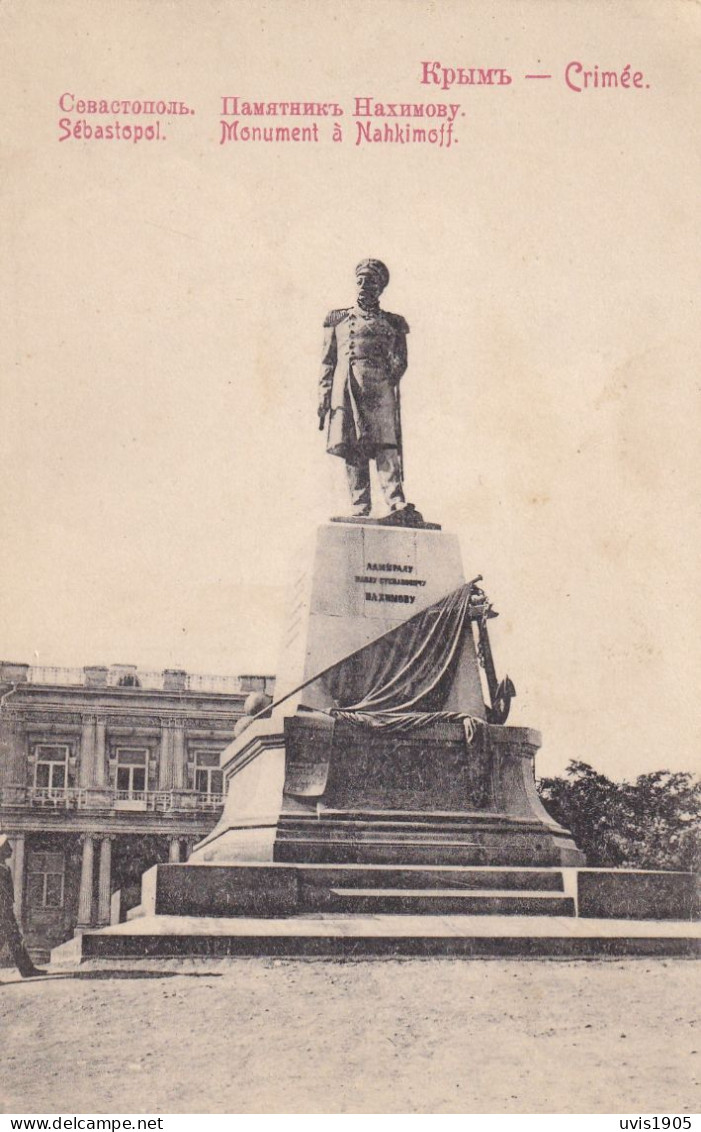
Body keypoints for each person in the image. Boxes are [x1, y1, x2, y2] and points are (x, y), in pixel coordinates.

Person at [319, 259, 420, 520]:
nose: (364, 286)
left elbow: (401, 359)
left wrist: (386, 379)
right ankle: (360, 505)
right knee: (354, 447)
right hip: (346, 388)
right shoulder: (338, 319)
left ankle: (396, 501)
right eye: (360, 280)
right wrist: (323, 396)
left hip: (379, 390)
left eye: (371, 281)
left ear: (380, 287)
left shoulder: (394, 323)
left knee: (386, 446)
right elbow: (328, 361)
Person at [0, 835, 45, 978]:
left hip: (6, 910)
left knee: (15, 939)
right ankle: (27, 969)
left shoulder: (4, 867)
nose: (11, 849)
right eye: (7, 847)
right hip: (1, 910)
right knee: (9, 939)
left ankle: (27, 970)